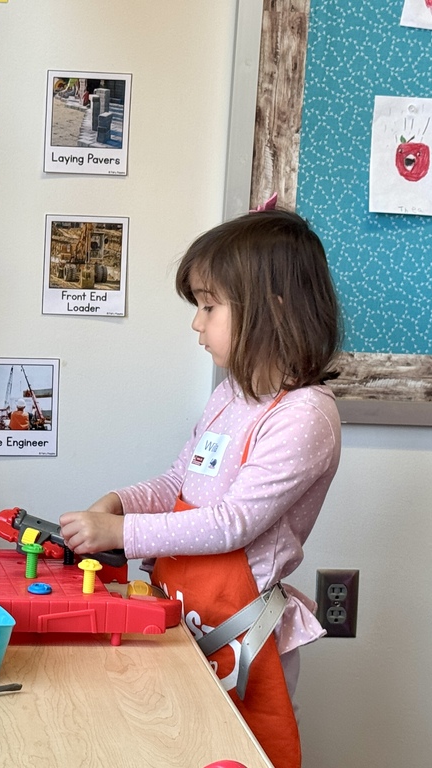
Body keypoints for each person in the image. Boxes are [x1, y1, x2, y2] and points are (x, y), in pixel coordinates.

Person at [58, 206, 342, 768]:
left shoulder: (305, 416)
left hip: (241, 637)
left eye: (209, 306)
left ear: (272, 309)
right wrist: (118, 502)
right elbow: (176, 481)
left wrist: (121, 531)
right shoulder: (231, 396)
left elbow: (230, 523)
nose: (197, 322)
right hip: (188, 614)